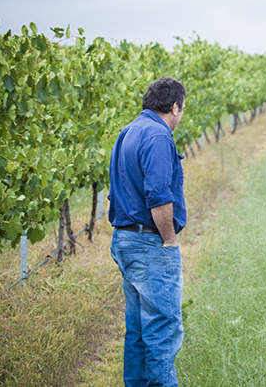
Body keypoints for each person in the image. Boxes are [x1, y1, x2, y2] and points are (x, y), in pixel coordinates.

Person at [108, 76, 187, 387]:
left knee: (139, 329)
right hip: (149, 243)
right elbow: (157, 195)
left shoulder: (129, 131)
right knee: (162, 328)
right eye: (182, 110)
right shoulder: (158, 135)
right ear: (175, 107)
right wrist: (169, 240)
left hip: (126, 239)